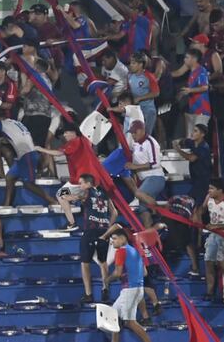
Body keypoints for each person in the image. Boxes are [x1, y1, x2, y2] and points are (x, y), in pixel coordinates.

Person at [60, 174, 116, 302]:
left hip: (90, 230)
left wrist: (63, 192)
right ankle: (105, 288)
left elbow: (66, 197)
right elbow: (115, 212)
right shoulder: (105, 193)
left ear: (88, 184)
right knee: (103, 262)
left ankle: (88, 294)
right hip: (104, 230)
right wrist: (108, 226)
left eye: (81, 183)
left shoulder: (85, 192)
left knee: (85, 263)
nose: (80, 185)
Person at [0, 118, 56, 208]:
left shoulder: (5, 125)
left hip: (27, 156)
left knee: (28, 184)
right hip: (23, 157)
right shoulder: (17, 124)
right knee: (9, 178)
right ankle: (7, 204)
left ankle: (53, 201)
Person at [104, 229, 151, 342]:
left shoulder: (121, 251)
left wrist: (107, 280)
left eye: (114, 239)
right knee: (113, 317)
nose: (112, 242)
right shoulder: (136, 251)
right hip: (136, 289)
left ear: (123, 238)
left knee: (130, 322)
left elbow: (117, 273)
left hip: (130, 290)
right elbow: (145, 273)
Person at [197, 178, 224, 300]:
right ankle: (210, 292)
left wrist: (217, 226)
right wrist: (197, 214)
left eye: (212, 188)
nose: (209, 190)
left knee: (222, 261)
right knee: (208, 260)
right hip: (214, 233)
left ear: (220, 190)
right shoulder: (208, 198)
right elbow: (202, 210)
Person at [126, 120, 164, 227]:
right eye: (132, 133)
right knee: (144, 212)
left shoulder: (151, 142)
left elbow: (155, 163)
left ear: (142, 130)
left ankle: (161, 213)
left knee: (138, 193)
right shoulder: (135, 144)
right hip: (145, 180)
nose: (133, 135)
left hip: (155, 177)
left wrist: (135, 167)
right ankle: (149, 239)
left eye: (135, 132)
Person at [172, 124, 211, 207]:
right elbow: (183, 141)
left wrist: (178, 150)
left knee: (197, 206)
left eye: (195, 131)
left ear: (202, 134)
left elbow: (192, 158)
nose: (192, 133)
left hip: (203, 182)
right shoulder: (192, 142)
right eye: (193, 131)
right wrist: (177, 141)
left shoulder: (204, 147)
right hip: (195, 180)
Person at [176, 49, 211, 137]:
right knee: (191, 139)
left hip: (202, 110)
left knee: (197, 139)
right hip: (193, 111)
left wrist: (190, 90)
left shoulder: (201, 71)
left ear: (194, 59)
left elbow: (205, 87)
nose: (184, 60)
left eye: (187, 57)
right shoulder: (192, 72)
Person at [127, 52, 159, 135]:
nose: (131, 65)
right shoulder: (130, 76)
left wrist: (140, 98)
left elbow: (156, 93)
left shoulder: (149, 76)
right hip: (136, 109)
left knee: (146, 134)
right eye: (130, 63)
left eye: (133, 63)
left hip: (148, 110)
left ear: (140, 64)